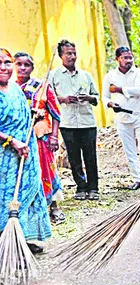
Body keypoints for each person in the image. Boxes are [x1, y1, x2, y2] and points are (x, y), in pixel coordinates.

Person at [0, 48, 51, 254]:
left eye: (7, 62)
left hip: (25, 153)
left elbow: (20, 113)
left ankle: (26, 238)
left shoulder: (15, 89)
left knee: (29, 193)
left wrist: (34, 113)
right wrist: (12, 141)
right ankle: (6, 238)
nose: (4, 67)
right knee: (6, 196)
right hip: (5, 158)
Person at [15, 52, 66, 224]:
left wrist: (53, 136)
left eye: (26, 65)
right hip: (18, 139)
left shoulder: (41, 87)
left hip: (40, 137)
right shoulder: (9, 88)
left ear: (32, 68)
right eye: (19, 64)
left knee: (46, 170)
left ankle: (54, 206)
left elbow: (56, 113)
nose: (22, 68)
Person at [51, 39, 100, 201]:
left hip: (87, 122)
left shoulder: (86, 75)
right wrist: (64, 99)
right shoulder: (54, 76)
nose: (72, 57)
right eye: (68, 53)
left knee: (90, 156)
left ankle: (93, 188)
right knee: (74, 158)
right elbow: (48, 98)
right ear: (60, 55)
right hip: (67, 123)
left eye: (74, 53)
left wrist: (88, 97)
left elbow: (97, 98)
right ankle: (81, 187)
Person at [103, 46, 140, 193]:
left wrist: (118, 89)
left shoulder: (139, 73)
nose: (128, 60)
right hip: (121, 117)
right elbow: (104, 96)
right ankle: (138, 179)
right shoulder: (110, 76)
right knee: (130, 150)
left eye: (130, 57)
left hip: (139, 114)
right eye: (125, 57)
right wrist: (110, 104)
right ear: (117, 59)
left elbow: (139, 90)